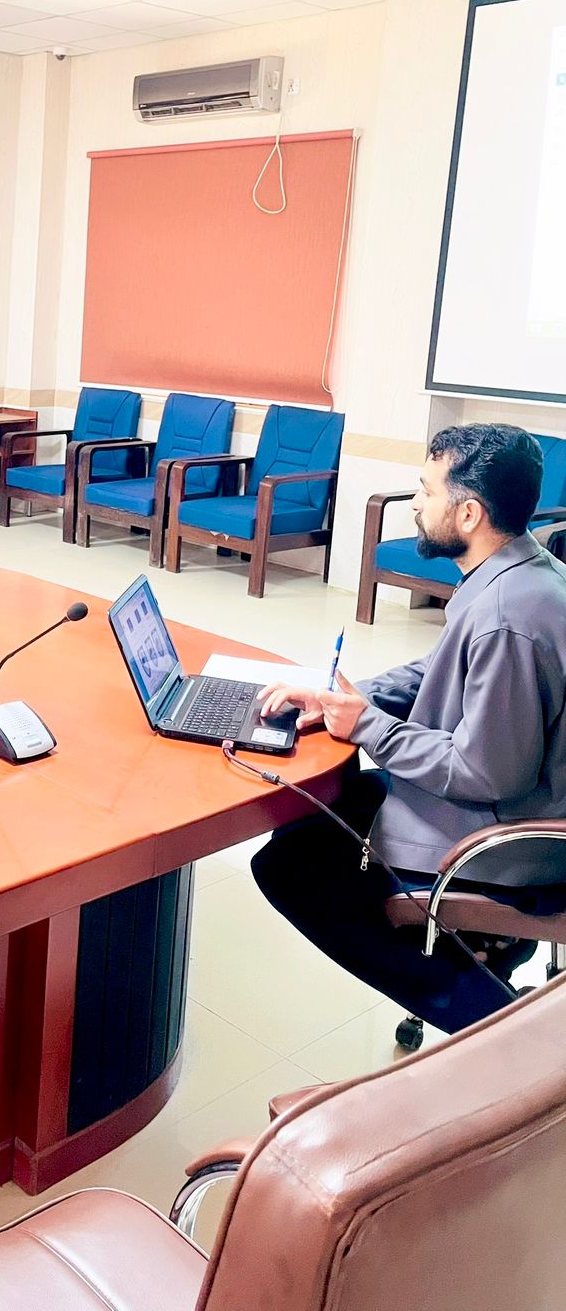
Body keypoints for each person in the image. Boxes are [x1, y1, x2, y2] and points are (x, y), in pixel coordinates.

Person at [251, 423, 566, 1034]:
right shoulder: (523, 572)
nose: (416, 504)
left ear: (469, 513)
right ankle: (477, 959)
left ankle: (491, 1025)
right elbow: (439, 668)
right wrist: (350, 698)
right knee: (322, 810)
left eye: (427, 491)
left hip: (505, 840)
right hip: (509, 805)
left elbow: (488, 773)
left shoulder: (507, 615)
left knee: (288, 869)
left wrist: (370, 727)